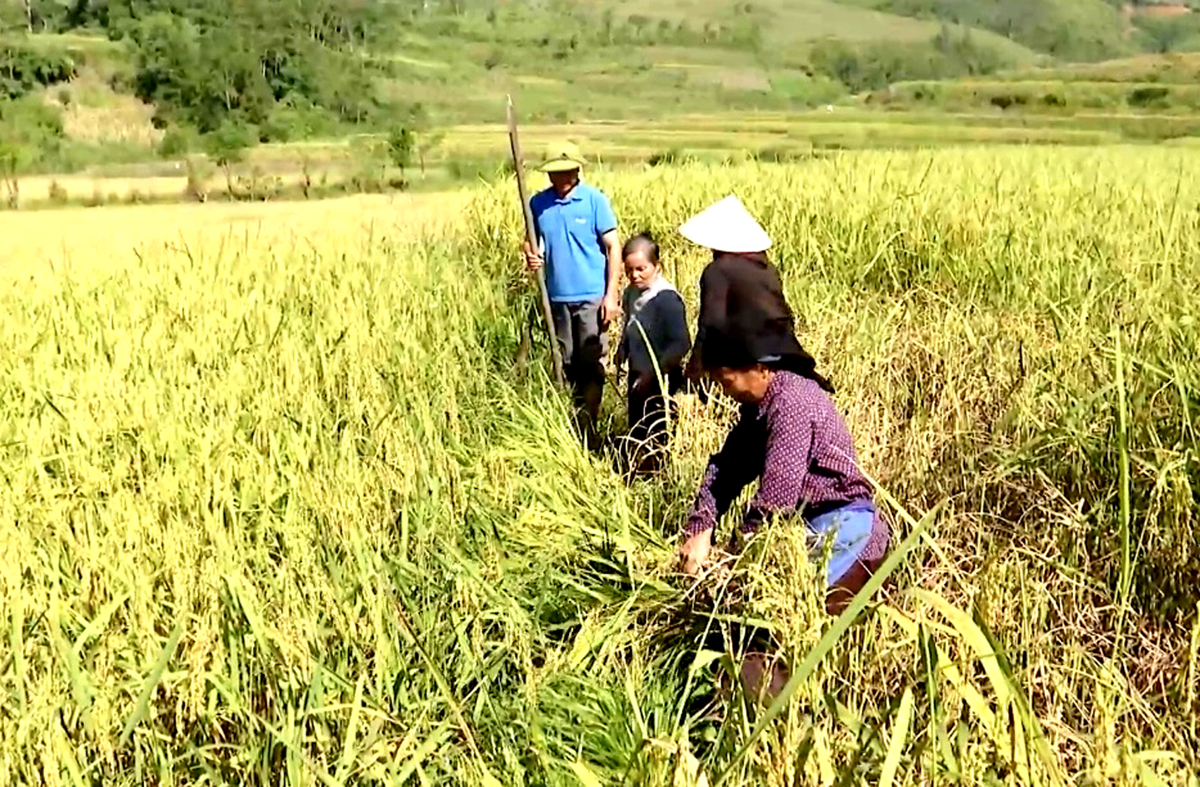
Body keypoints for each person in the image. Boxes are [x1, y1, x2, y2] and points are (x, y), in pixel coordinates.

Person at [677, 327, 890, 616]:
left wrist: (730, 558)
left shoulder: (791, 402)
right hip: (810, 530)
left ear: (761, 369)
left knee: (779, 635)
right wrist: (700, 527)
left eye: (727, 383)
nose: (726, 394)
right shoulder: (761, 405)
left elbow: (777, 499)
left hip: (844, 534)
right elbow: (727, 467)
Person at [524, 141, 622, 450]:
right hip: (556, 296)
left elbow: (613, 247)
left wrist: (611, 296)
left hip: (592, 296)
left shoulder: (594, 201)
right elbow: (531, 243)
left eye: (566, 172)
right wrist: (531, 256)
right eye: (555, 173)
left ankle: (588, 425)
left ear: (576, 170)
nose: (561, 178)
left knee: (591, 361)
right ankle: (568, 421)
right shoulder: (538, 204)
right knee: (564, 361)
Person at [677, 195, 821, 394]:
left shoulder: (718, 270)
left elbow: (710, 325)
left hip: (746, 362)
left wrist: (692, 378)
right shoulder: (767, 268)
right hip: (782, 355)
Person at [615, 233, 691, 474]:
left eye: (641, 269)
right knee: (636, 424)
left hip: (662, 378)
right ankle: (637, 469)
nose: (634, 275)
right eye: (629, 270)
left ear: (656, 266)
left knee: (658, 428)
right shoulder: (630, 293)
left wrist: (654, 373)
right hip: (637, 372)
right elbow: (629, 323)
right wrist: (622, 350)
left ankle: (657, 473)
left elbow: (681, 343)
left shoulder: (667, 299)